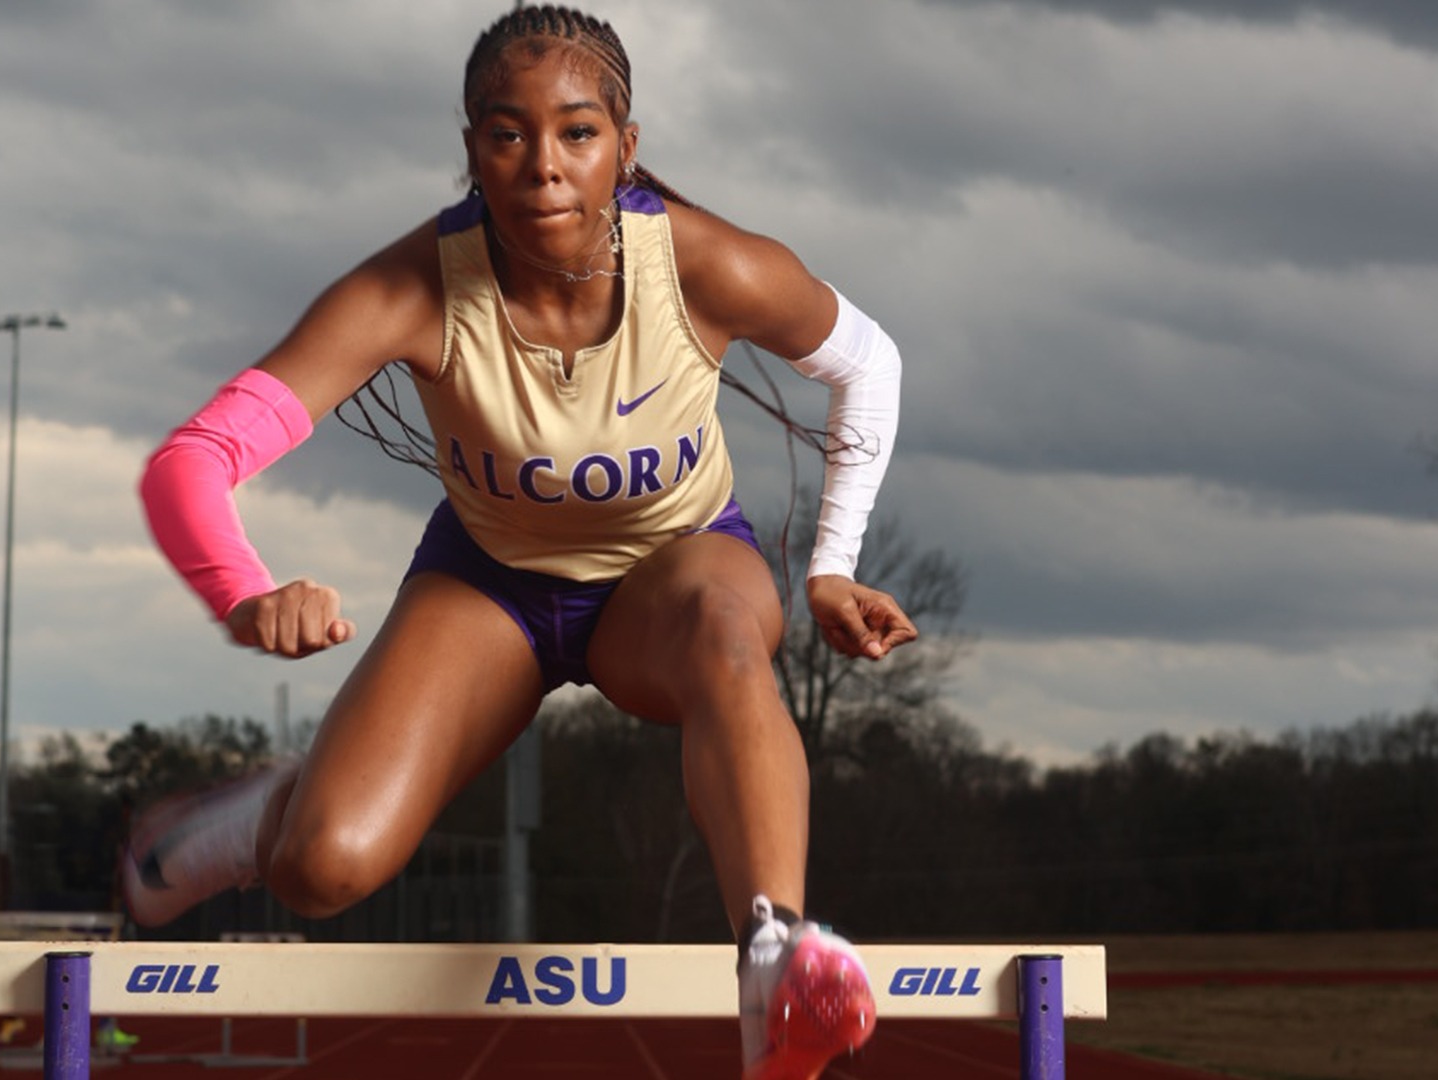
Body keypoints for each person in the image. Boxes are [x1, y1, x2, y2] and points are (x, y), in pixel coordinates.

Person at [124, 6, 914, 1077]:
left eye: (577, 133)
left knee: (731, 633)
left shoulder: (704, 264)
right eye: (508, 134)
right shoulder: (409, 289)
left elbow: (869, 365)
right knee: (326, 869)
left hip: (673, 571)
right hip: (490, 584)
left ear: (626, 147)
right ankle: (271, 810)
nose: (544, 167)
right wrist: (247, 592)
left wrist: (830, 567)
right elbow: (193, 460)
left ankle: (774, 956)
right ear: (471, 150)